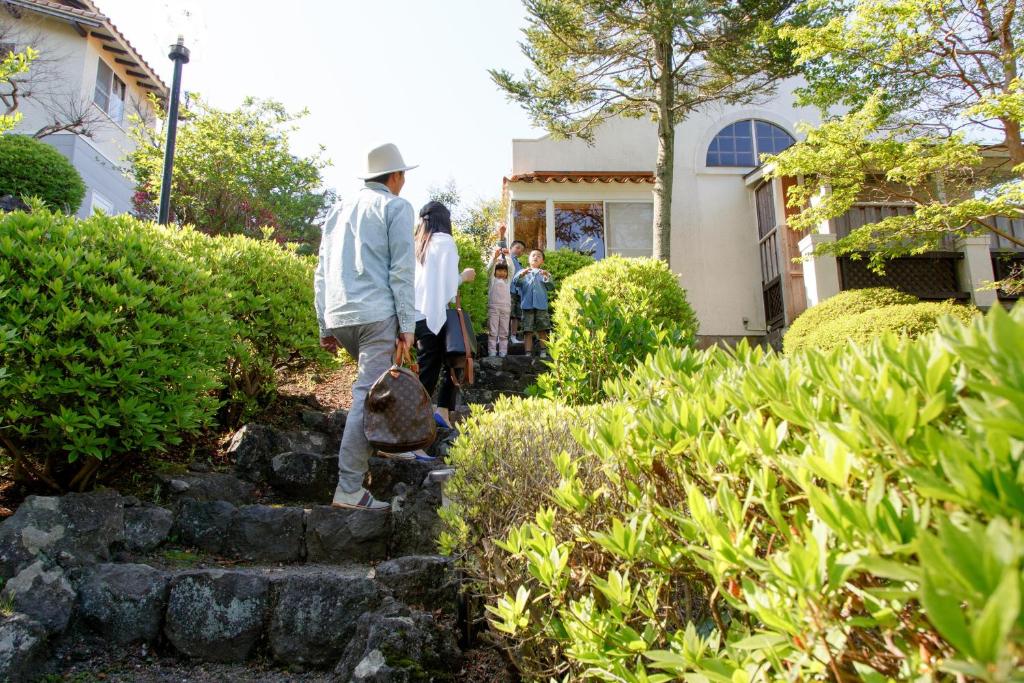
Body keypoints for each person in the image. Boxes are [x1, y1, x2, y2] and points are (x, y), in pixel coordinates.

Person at [314, 142, 418, 512]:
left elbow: (322, 270)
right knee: (367, 396)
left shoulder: (338, 209)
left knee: (378, 387)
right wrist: (408, 324)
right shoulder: (395, 206)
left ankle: (391, 445)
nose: (404, 181)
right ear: (394, 176)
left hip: (341, 315)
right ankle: (349, 488)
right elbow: (402, 270)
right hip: (376, 315)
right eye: (403, 175)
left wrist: (323, 323)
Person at [413, 201, 476, 434]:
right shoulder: (445, 241)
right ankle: (424, 420)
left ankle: (437, 413)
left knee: (429, 367)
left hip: (414, 317)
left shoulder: (417, 243)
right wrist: (464, 276)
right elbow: (449, 285)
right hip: (434, 315)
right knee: (454, 358)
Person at [510, 249, 554, 357]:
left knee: (543, 329)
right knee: (527, 330)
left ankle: (543, 351)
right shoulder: (522, 272)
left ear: (542, 261)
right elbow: (515, 283)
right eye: (533, 255)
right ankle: (528, 353)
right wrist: (522, 274)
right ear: (529, 259)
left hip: (541, 306)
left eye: (539, 256)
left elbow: (551, 287)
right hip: (527, 306)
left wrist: (546, 277)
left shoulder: (545, 273)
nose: (535, 257)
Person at [494, 224, 526, 343]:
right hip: (507, 291)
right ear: (511, 248)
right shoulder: (508, 258)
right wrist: (502, 235)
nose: (520, 251)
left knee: (516, 315)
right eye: (517, 248)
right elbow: (502, 248)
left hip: (518, 292)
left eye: (522, 250)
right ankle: (500, 337)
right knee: (504, 313)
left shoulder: (520, 265)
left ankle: (513, 337)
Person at [486, 245, 512, 357]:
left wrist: (508, 257)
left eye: (504, 271)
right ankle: (492, 352)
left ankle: (503, 352)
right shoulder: (492, 280)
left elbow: (512, 269)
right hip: (493, 308)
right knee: (492, 331)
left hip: (506, 309)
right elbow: (489, 270)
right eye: (499, 271)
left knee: (504, 332)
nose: (502, 273)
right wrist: (494, 258)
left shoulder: (508, 281)